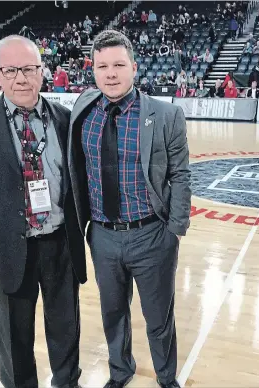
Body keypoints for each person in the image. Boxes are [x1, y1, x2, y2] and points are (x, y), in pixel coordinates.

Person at [0, 35, 86, 388]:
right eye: (11, 71)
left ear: (43, 71)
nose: (21, 79)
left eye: (28, 69)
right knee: (13, 338)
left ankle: (67, 382)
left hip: (60, 246)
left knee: (65, 329)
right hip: (7, 248)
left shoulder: (65, 119)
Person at [68, 30, 191, 388]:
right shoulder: (83, 109)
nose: (110, 73)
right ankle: (120, 372)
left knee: (158, 318)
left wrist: (175, 230)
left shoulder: (165, 115)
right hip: (103, 237)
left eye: (119, 65)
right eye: (102, 66)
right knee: (113, 314)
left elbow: (181, 175)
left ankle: (166, 378)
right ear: (92, 71)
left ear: (134, 68)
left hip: (152, 234)